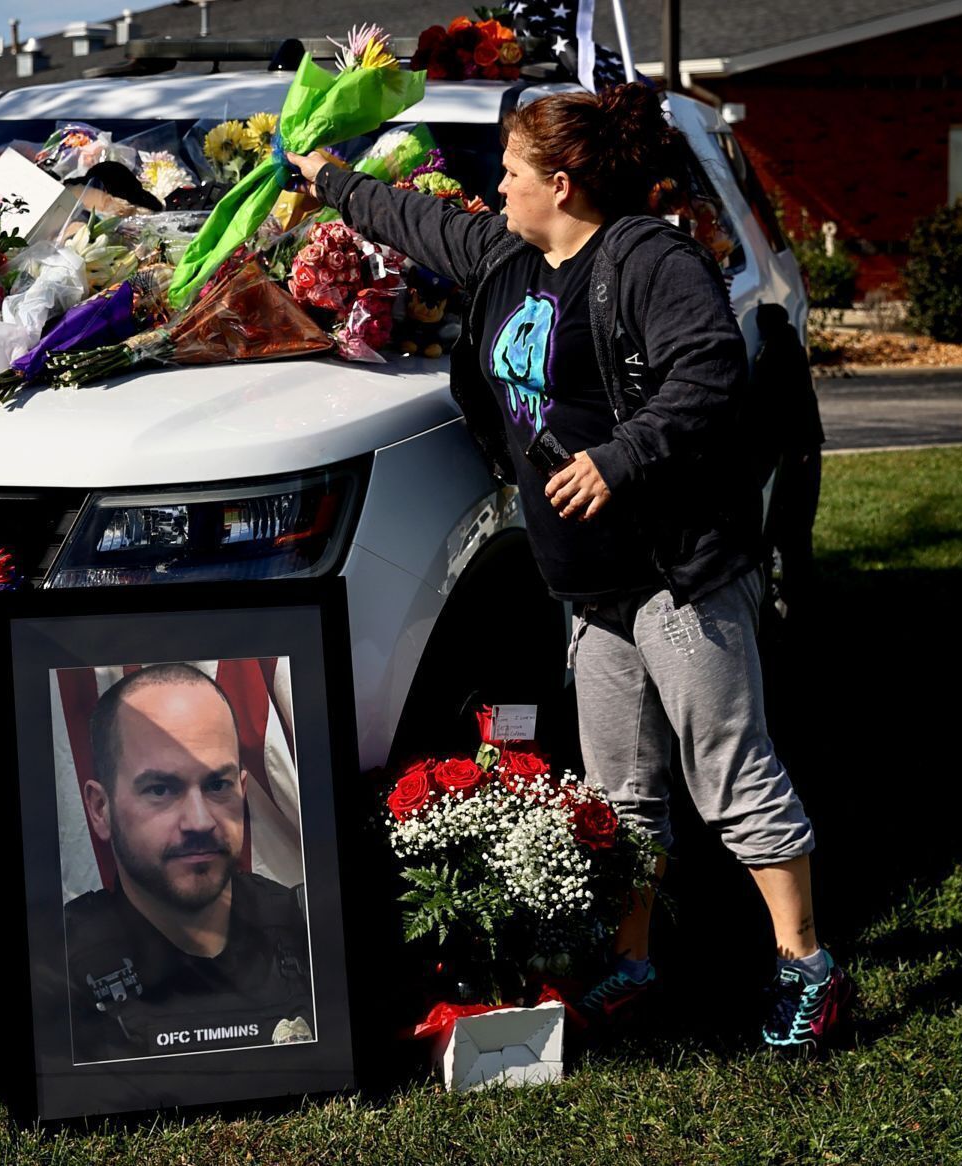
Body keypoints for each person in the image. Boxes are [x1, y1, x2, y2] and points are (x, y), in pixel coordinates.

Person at [286, 83, 853, 1054]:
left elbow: (711, 369)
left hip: (677, 571)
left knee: (731, 777)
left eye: (508, 172)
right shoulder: (513, 257)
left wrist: (620, 458)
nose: (493, 188)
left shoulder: (647, 258)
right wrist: (327, 177)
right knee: (623, 788)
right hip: (592, 587)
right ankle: (633, 963)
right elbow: (417, 218)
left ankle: (808, 966)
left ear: (561, 181)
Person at [64, 662, 316, 1063]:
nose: (200, 821)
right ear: (100, 809)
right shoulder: (60, 966)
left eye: (218, 785)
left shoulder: (307, 933)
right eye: (161, 789)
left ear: (242, 789)